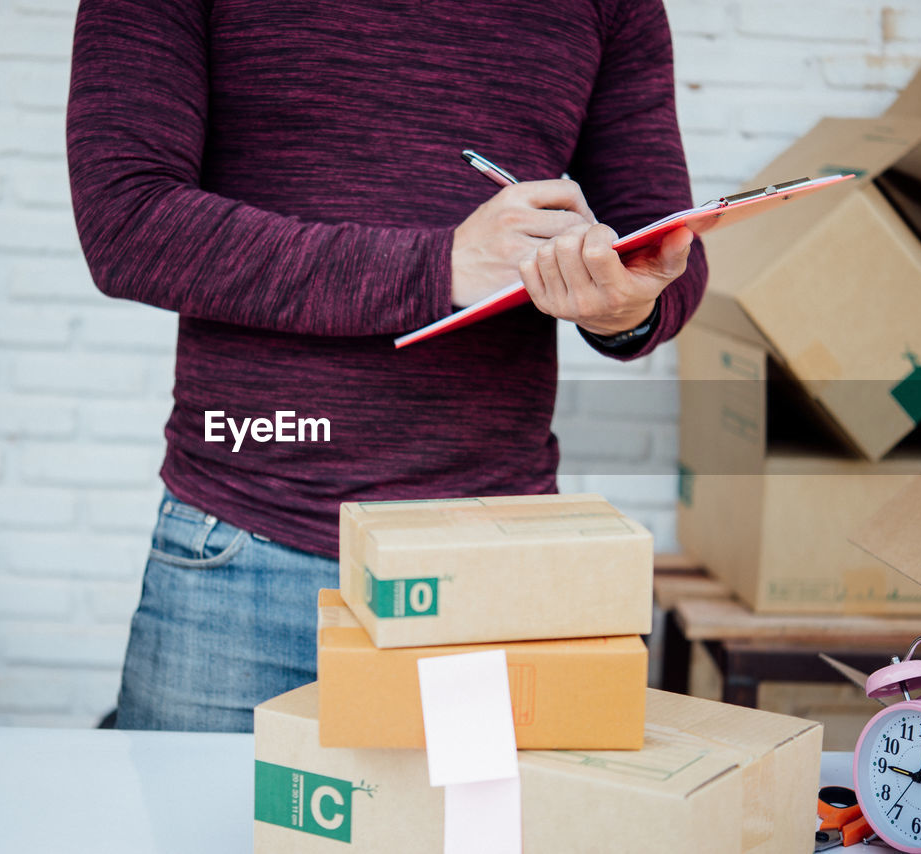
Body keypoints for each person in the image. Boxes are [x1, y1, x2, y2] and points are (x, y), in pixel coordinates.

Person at [66, 0, 707, 732]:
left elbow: (666, 248)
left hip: (493, 559)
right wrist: (439, 267)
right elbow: (127, 221)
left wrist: (621, 303)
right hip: (243, 543)